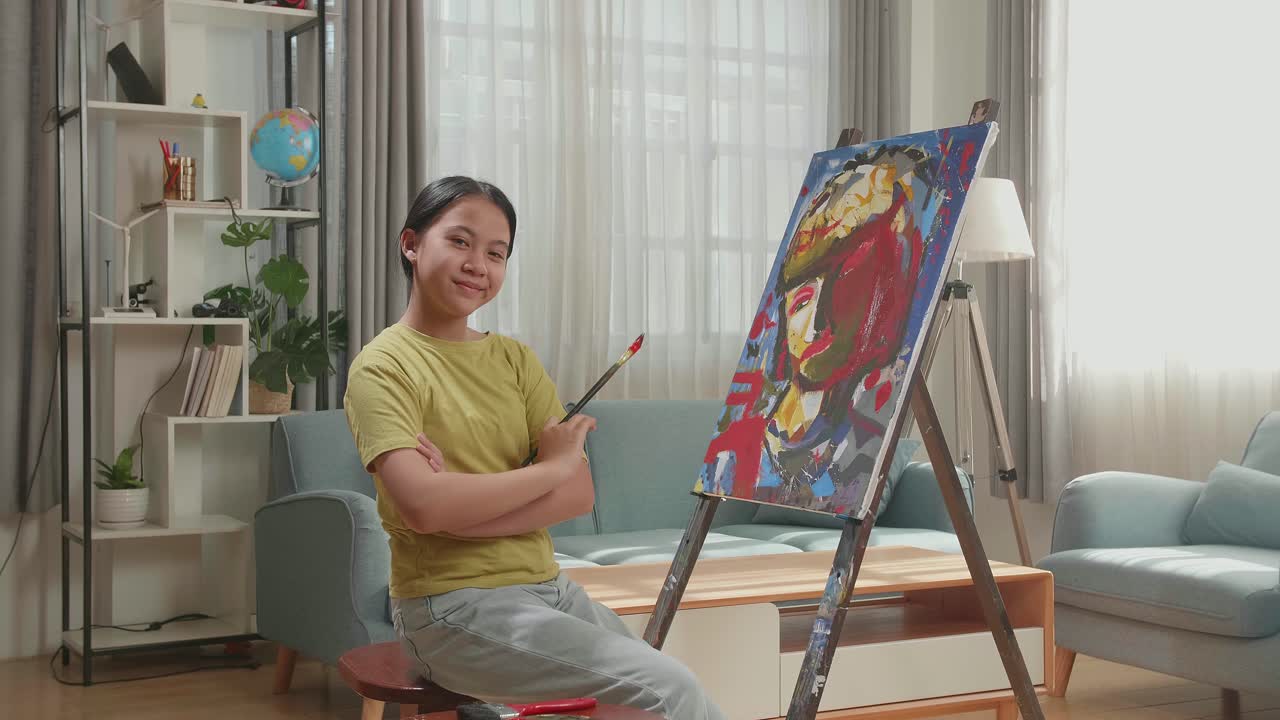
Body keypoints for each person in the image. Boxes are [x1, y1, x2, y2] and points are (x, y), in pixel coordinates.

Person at [343, 176, 726, 720]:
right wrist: (552, 467)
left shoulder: (515, 361)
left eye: (496, 253)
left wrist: (461, 508)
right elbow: (425, 505)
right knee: (668, 690)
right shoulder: (382, 367)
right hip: (449, 607)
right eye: (460, 241)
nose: (478, 263)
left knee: (653, 698)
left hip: (548, 589)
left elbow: (578, 495)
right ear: (410, 243)